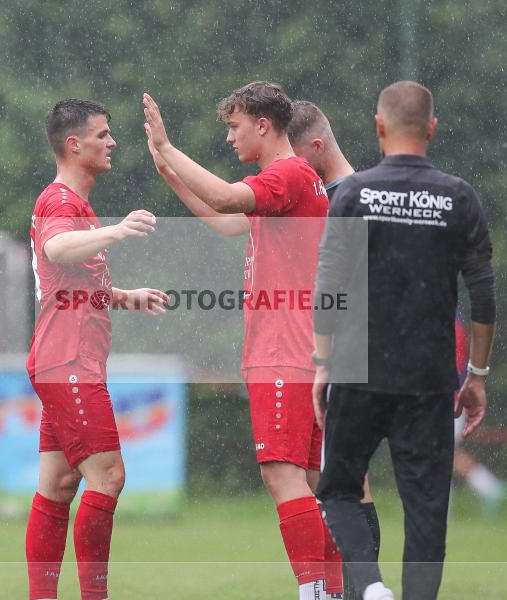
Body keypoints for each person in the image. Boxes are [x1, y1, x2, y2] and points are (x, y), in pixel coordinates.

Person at [144, 82, 339, 599]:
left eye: (233, 127)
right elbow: (231, 222)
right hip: (307, 351)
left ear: (263, 125)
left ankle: (315, 591)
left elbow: (229, 196)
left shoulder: (288, 173)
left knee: (282, 475)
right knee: (316, 483)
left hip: (284, 351)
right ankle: (338, 590)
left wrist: (169, 150)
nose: (229, 138)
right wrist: (172, 175)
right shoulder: (295, 182)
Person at [312, 81, 495, 600]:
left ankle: (369, 587)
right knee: (427, 509)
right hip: (429, 378)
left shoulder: (353, 192)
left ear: (379, 127)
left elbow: (329, 282)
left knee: (340, 490)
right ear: (432, 129)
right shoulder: (458, 197)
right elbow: (482, 293)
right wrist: (476, 376)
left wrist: (323, 363)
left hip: (357, 367)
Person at [25, 99, 167, 600]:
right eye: (102, 135)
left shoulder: (75, 206)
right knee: (108, 476)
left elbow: (69, 281)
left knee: (59, 487)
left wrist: (126, 296)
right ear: (73, 144)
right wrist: (117, 230)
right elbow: (56, 249)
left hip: (62, 360)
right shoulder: (62, 203)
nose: (111, 143)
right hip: (68, 363)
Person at [287, 100, 381, 599]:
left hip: (348, 352)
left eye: (297, 156)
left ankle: (363, 588)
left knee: (346, 481)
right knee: (334, 478)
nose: (292, 169)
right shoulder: (363, 191)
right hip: (358, 349)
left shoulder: (346, 198)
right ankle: (360, 587)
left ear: (317, 148)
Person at [451, 313, 507, 519]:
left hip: (450, 399)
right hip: (452, 397)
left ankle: (490, 488)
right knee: (443, 456)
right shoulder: (454, 318)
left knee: (440, 456)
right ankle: (489, 488)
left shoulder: (450, 320)